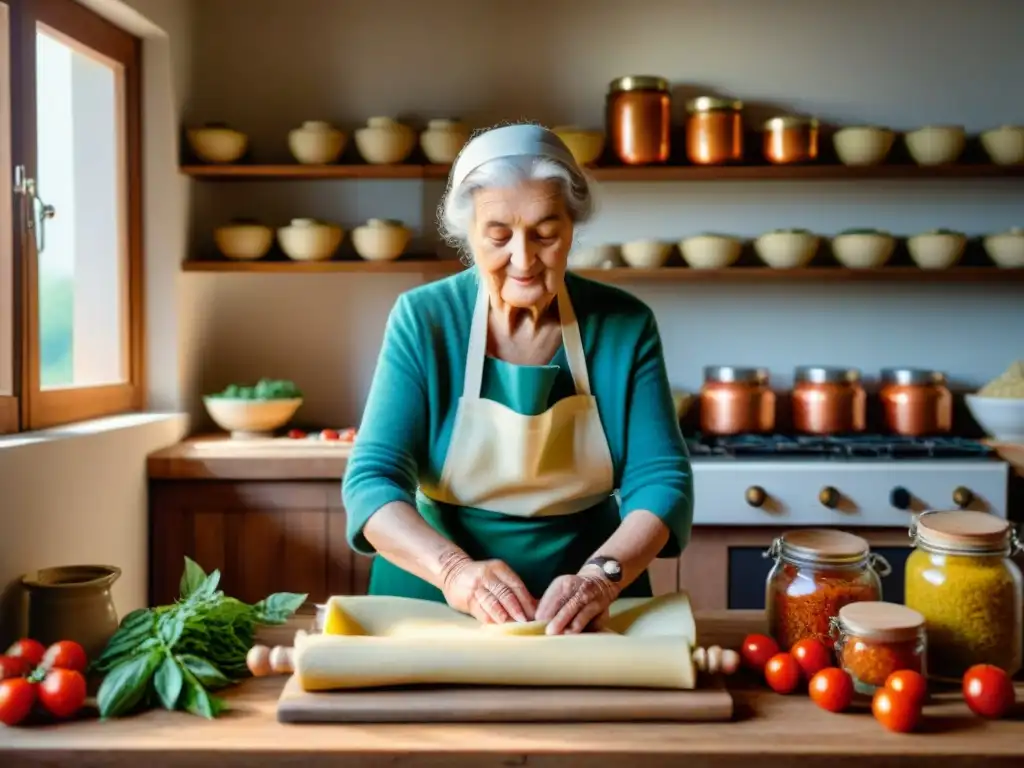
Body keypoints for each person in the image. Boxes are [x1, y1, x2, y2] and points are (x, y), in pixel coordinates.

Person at [342, 123, 693, 635]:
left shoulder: (624, 323)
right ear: (469, 234)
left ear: (572, 227)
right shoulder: (425, 319)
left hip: (587, 603)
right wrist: (454, 572)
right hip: (432, 599)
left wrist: (601, 578)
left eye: (546, 233)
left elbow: (661, 479)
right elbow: (371, 480)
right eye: (499, 235)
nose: (524, 259)